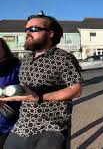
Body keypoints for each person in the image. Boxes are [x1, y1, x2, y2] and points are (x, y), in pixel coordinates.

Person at [1, 12, 83, 149]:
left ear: (50, 33)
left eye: (33, 29)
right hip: (22, 124)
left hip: (52, 126)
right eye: (26, 29)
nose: (27, 32)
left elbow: (76, 90)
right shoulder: (26, 60)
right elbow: (24, 89)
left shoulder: (63, 58)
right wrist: (5, 97)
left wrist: (38, 97)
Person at [0, 38, 21, 148]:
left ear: (4, 49)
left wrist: (7, 92)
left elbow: (25, 88)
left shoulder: (15, 67)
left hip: (8, 122)